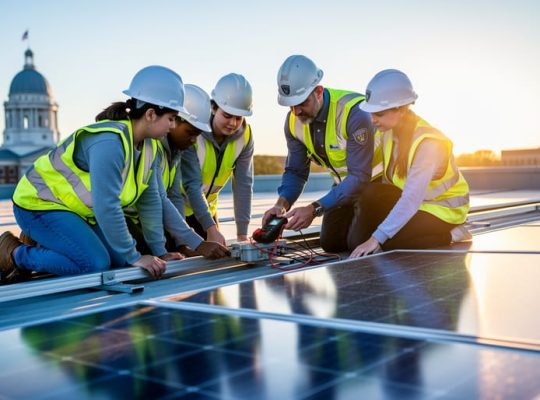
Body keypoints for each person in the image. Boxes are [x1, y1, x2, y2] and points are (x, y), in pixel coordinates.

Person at [0, 65, 186, 284]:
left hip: (73, 212)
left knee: (119, 262)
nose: (173, 126)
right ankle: (15, 253)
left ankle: (47, 240)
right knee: (94, 265)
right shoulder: (109, 142)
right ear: (151, 114)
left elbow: (151, 202)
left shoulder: (149, 148)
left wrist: (159, 252)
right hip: (38, 206)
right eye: (171, 118)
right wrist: (135, 256)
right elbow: (107, 206)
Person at [349, 69, 471, 258]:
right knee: (370, 193)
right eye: (372, 113)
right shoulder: (388, 132)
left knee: (392, 242)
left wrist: (376, 237)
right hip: (417, 203)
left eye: (379, 113)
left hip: (443, 208)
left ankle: (454, 233)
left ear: (401, 108)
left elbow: (411, 199)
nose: (373, 120)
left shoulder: (428, 143)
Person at [262, 55, 378, 252]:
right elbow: (296, 172)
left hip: (377, 187)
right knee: (331, 244)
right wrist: (281, 205)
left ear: (318, 91)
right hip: (344, 189)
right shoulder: (292, 122)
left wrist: (315, 209)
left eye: (301, 103)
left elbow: (360, 176)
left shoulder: (353, 112)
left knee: (356, 244)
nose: (296, 111)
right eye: (291, 105)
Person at [146, 84, 230, 258]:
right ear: (174, 120)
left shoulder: (175, 152)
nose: (193, 140)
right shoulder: (154, 147)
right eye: (190, 132)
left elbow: (174, 195)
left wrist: (182, 245)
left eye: (197, 135)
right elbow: (158, 200)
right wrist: (196, 243)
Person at [183, 73, 254, 243]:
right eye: (227, 115)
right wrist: (211, 229)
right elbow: (193, 186)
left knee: (218, 254)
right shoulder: (193, 132)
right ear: (214, 108)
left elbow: (243, 184)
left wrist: (242, 234)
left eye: (238, 117)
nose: (232, 123)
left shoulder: (245, 136)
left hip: (207, 209)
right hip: (180, 209)